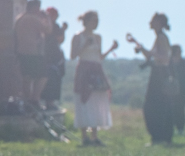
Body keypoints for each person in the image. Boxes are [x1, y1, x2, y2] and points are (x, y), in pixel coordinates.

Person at [127, 13, 175, 146]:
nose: (150, 23)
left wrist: (152, 54)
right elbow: (150, 55)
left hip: (160, 75)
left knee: (154, 106)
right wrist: (139, 46)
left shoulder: (161, 37)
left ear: (158, 22)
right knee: (157, 105)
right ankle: (160, 137)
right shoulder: (160, 37)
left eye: (153, 21)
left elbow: (164, 58)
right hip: (158, 74)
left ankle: (159, 137)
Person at [70, 11, 116, 146]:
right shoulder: (78, 36)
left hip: (96, 69)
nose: (95, 23)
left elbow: (99, 56)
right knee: (83, 99)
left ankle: (94, 136)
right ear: (86, 21)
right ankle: (84, 136)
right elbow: (73, 56)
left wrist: (111, 48)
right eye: (93, 20)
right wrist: (84, 46)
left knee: (96, 100)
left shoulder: (98, 37)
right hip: (84, 69)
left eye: (97, 20)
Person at [13, 0, 51, 109]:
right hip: (34, 52)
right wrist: (47, 18)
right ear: (34, 8)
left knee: (27, 77)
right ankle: (34, 99)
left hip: (21, 51)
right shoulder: (33, 19)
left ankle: (27, 101)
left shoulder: (19, 18)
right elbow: (48, 30)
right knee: (43, 76)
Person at [42, 7, 68, 109]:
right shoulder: (44, 24)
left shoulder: (56, 26)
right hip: (46, 57)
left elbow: (60, 40)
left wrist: (63, 30)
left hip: (55, 58)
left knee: (55, 79)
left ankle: (51, 102)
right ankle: (46, 102)